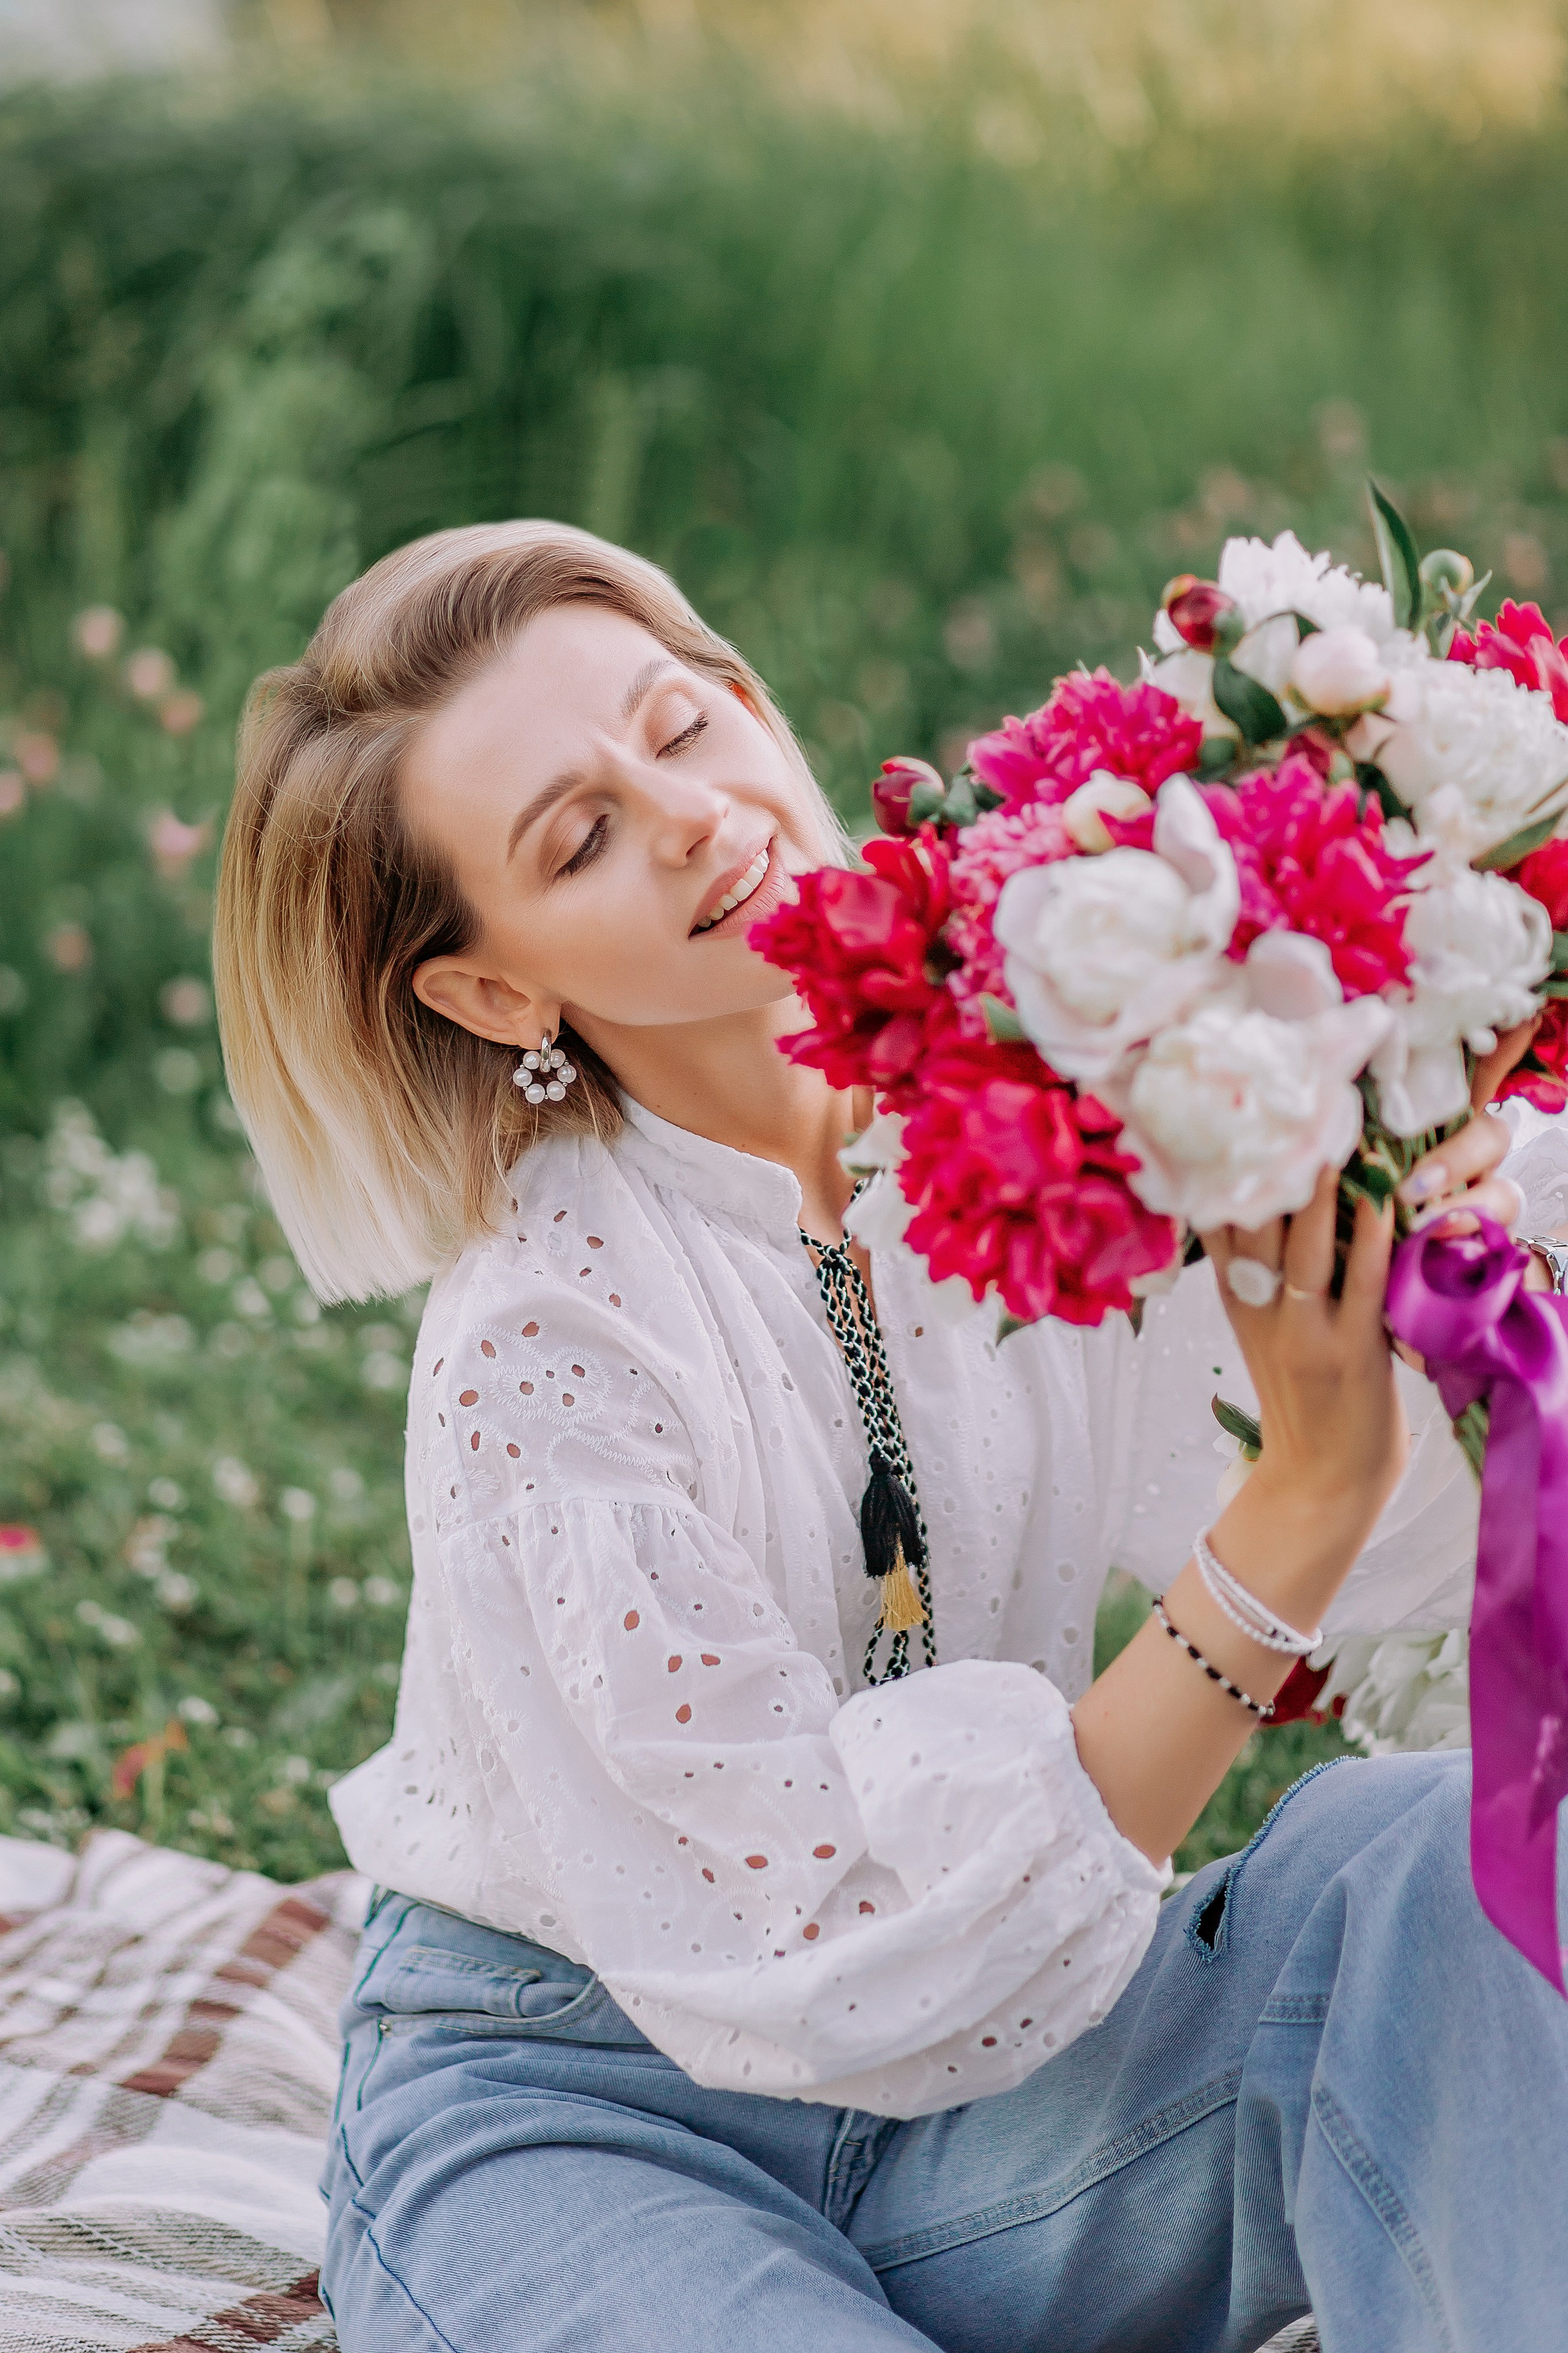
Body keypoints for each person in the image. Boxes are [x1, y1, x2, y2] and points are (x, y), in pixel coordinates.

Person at [213, 521, 1568, 2353]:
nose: (686, 812)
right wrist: (1301, 1498)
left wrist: (1424, 1233)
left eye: (680, 727)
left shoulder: (1042, 1088)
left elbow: (1392, 1517)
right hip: (585, 2116)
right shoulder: (540, 1347)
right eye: (579, 834)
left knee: (1459, 1872)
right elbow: (841, 1940)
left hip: (1011, 2096)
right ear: (494, 990)